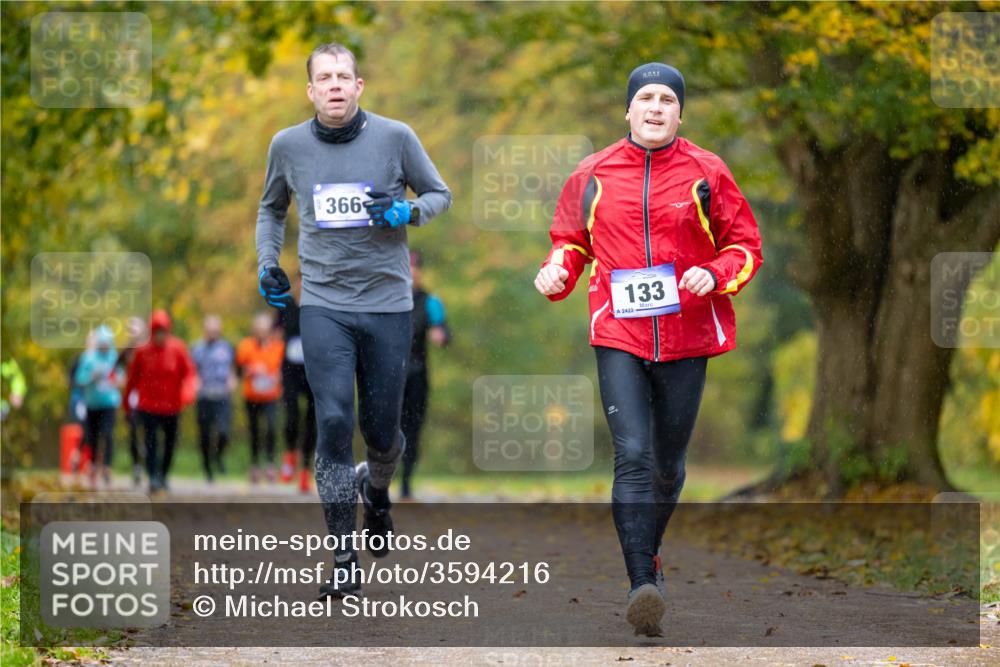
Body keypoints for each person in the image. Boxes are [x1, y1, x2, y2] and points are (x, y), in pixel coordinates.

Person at [534, 63, 762, 636]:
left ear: (680, 113)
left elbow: (746, 246)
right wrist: (556, 271)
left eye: (667, 99)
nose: (656, 107)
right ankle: (642, 584)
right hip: (620, 333)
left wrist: (716, 274)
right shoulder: (593, 172)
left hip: (687, 334)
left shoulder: (707, 170)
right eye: (646, 98)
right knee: (631, 455)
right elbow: (569, 242)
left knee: (666, 465)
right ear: (628, 110)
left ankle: (650, 557)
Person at [255, 42, 451, 598]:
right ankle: (343, 554)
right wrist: (268, 262)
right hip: (323, 304)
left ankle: (378, 490)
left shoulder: (395, 137)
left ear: (359, 86)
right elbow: (271, 208)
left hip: (388, 305)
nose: (336, 85)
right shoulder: (287, 146)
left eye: (345, 76)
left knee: (383, 432)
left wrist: (408, 210)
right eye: (325, 77)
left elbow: (441, 193)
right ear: (311, 90)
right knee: (335, 420)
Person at [124, 309, 197, 495]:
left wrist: (188, 392)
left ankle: (164, 475)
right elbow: (132, 380)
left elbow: (189, 373)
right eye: (156, 331)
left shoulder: (178, 349)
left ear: (168, 331)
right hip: (148, 406)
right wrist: (127, 405)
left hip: (172, 406)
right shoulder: (142, 352)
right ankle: (153, 477)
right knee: (150, 442)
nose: (159, 336)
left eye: (162, 331)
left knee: (170, 442)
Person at [400, 250, 451, 500]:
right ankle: (381, 477)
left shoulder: (429, 302)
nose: (411, 272)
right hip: (389, 376)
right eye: (406, 267)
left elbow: (444, 330)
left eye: (414, 267)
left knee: (413, 428)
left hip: (417, 374)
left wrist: (440, 336)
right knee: (387, 428)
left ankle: (406, 480)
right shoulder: (386, 299)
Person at [274, 273, 317, 494]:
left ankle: (305, 470)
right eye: (302, 281)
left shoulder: (319, 306)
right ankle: (290, 453)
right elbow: (276, 332)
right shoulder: (287, 305)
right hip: (290, 370)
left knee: (312, 421)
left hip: (312, 370)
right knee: (291, 415)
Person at [236, 312, 284, 484]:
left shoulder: (278, 347)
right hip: (252, 396)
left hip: (271, 395)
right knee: (254, 431)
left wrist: (278, 376)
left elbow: (283, 370)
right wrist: (251, 370)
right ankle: (255, 465)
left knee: (271, 428)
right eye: (259, 329)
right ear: (254, 330)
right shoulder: (246, 346)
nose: (262, 333)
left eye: (265, 330)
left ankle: (270, 464)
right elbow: (238, 370)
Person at [74, 325, 124, 487]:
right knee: (92, 436)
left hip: (109, 403)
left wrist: (118, 381)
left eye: (107, 343)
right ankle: (94, 465)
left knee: (107, 433)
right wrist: (91, 376)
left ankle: (107, 466)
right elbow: (79, 378)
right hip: (92, 403)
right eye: (102, 343)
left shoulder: (114, 358)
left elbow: (122, 377)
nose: (104, 346)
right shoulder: (88, 358)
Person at [191, 314, 237, 483]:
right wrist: (194, 382)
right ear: (205, 330)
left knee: (224, 432)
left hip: (222, 396)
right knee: (204, 435)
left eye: (215, 331)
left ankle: (218, 456)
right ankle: (207, 468)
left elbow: (233, 368)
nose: (213, 333)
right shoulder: (196, 348)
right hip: (204, 396)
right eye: (210, 330)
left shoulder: (227, 347)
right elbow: (192, 371)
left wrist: (232, 380)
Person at [116, 316, 148, 486]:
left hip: (151, 396)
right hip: (133, 397)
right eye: (130, 329)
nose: (132, 332)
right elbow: (117, 368)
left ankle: (150, 462)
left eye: (135, 328)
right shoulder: (126, 351)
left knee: (149, 431)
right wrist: (121, 378)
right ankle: (136, 464)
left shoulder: (150, 349)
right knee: (134, 430)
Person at [1, 357, 26, 421]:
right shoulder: (18, 388)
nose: (11, 399)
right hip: (8, 365)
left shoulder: (19, 389)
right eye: (14, 400)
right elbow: (13, 374)